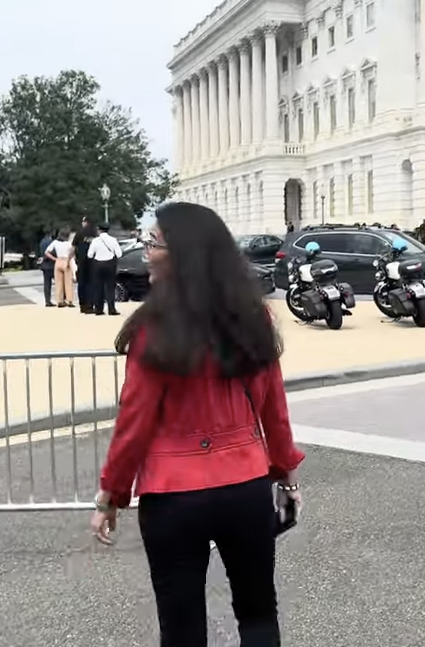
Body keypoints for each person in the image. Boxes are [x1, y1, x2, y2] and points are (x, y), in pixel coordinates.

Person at [92, 202, 305, 646]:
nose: (146, 252)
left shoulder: (153, 328)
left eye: (154, 243)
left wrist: (111, 494)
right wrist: (285, 474)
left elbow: (134, 422)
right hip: (244, 485)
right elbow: (273, 409)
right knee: (258, 613)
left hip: (173, 495)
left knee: (182, 626)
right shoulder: (254, 318)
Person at [87, 222, 123, 316]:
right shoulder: (113, 240)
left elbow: (89, 255)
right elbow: (119, 254)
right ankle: (111, 309)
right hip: (110, 264)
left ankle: (99, 309)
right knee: (110, 287)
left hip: (98, 264)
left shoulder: (95, 241)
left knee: (98, 287)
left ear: (99, 230)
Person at [46, 228, 75, 307]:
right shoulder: (69, 243)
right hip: (66, 261)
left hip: (58, 261)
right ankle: (69, 300)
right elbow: (72, 252)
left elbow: (47, 252)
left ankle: (59, 300)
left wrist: (54, 259)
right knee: (68, 282)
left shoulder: (55, 242)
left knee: (58, 282)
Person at [73, 217, 97, 313]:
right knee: (91, 284)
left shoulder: (79, 233)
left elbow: (73, 247)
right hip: (93, 262)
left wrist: (70, 258)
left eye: (83, 221)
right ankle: (91, 305)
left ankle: (83, 306)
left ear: (86, 222)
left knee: (82, 284)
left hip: (82, 261)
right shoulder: (95, 234)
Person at [38, 231, 56, 307]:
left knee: (47, 284)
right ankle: (61, 298)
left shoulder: (41, 242)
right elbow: (54, 252)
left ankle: (47, 300)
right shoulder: (52, 242)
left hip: (44, 266)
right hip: (52, 264)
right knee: (59, 282)